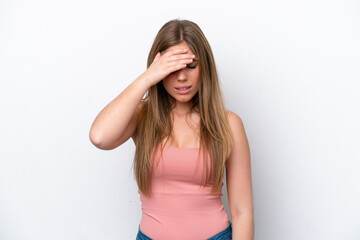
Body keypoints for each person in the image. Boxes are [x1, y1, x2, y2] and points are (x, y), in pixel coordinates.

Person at [89, 19, 254, 240]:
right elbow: (99, 137)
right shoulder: (142, 116)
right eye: (172, 68)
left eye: (191, 66)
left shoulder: (228, 123)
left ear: (205, 66)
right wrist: (147, 78)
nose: (182, 76)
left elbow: (243, 212)